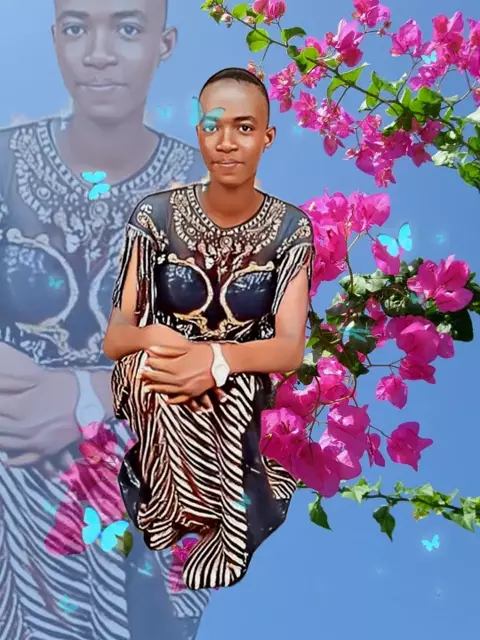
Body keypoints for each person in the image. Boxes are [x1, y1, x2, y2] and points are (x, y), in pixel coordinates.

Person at [0, 0, 209, 638]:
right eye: (75, 28)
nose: (98, 53)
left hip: (139, 483)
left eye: (127, 28)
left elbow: (230, 353)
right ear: (54, 39)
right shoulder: (4, 160)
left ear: (164, 43)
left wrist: (88, 396)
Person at [104, 67, 315, 591]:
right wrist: (157, 338)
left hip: (240, 376)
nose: (226, 142)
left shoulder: (292, 229)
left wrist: (217, 360)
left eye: (244, 127)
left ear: (267, 137)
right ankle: (173, 505)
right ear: (198, 131)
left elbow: (289, 348)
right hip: (158, 365)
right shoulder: (155, 217)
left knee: (229, 389)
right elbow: (117, 336)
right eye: (212, 125)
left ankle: (225, 521)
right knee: (150, 372)